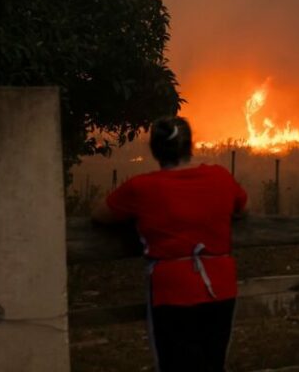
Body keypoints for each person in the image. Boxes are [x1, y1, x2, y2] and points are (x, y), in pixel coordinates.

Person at [92, 116, 247, 371]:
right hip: (220, 287)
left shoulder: (141, 188)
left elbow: (100, 215)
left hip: (173, 291)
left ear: (154, 150)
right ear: (190, 146)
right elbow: (243, 208)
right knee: (213, 363)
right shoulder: (219, 177)